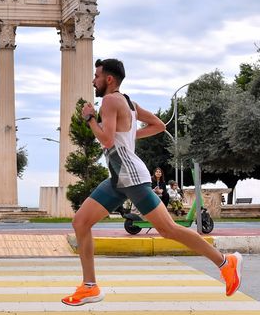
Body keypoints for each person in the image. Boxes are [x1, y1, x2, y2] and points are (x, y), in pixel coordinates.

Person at [61, 58, 242, 306]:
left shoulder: (110, 101)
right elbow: (158, 125)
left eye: (97, 76)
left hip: (131, 177)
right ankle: (90, 286)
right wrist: (130, 134)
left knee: (169, 230)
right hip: (118, 178)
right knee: (80, 222)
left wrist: (90, 118)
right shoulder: (128, 103)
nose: (94, 80)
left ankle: (225, 262)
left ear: (109, 79)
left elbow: (107, 141)